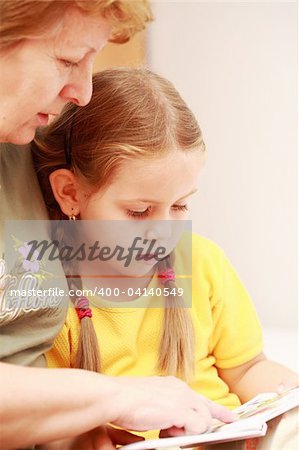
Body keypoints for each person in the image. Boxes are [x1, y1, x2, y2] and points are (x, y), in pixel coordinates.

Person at [0, 2, 234, 449]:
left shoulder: (33, 135)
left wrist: (83, 428)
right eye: (68, 59)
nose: (82, 92)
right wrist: (111, 400)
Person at [31, 68, 298, 449]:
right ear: (70, 192)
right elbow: (56, 416)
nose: (164, 230)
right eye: (139, 211)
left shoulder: (203, 263)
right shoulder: (46, 292)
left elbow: (249, 368)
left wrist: (285, 399)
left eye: (180, 204)